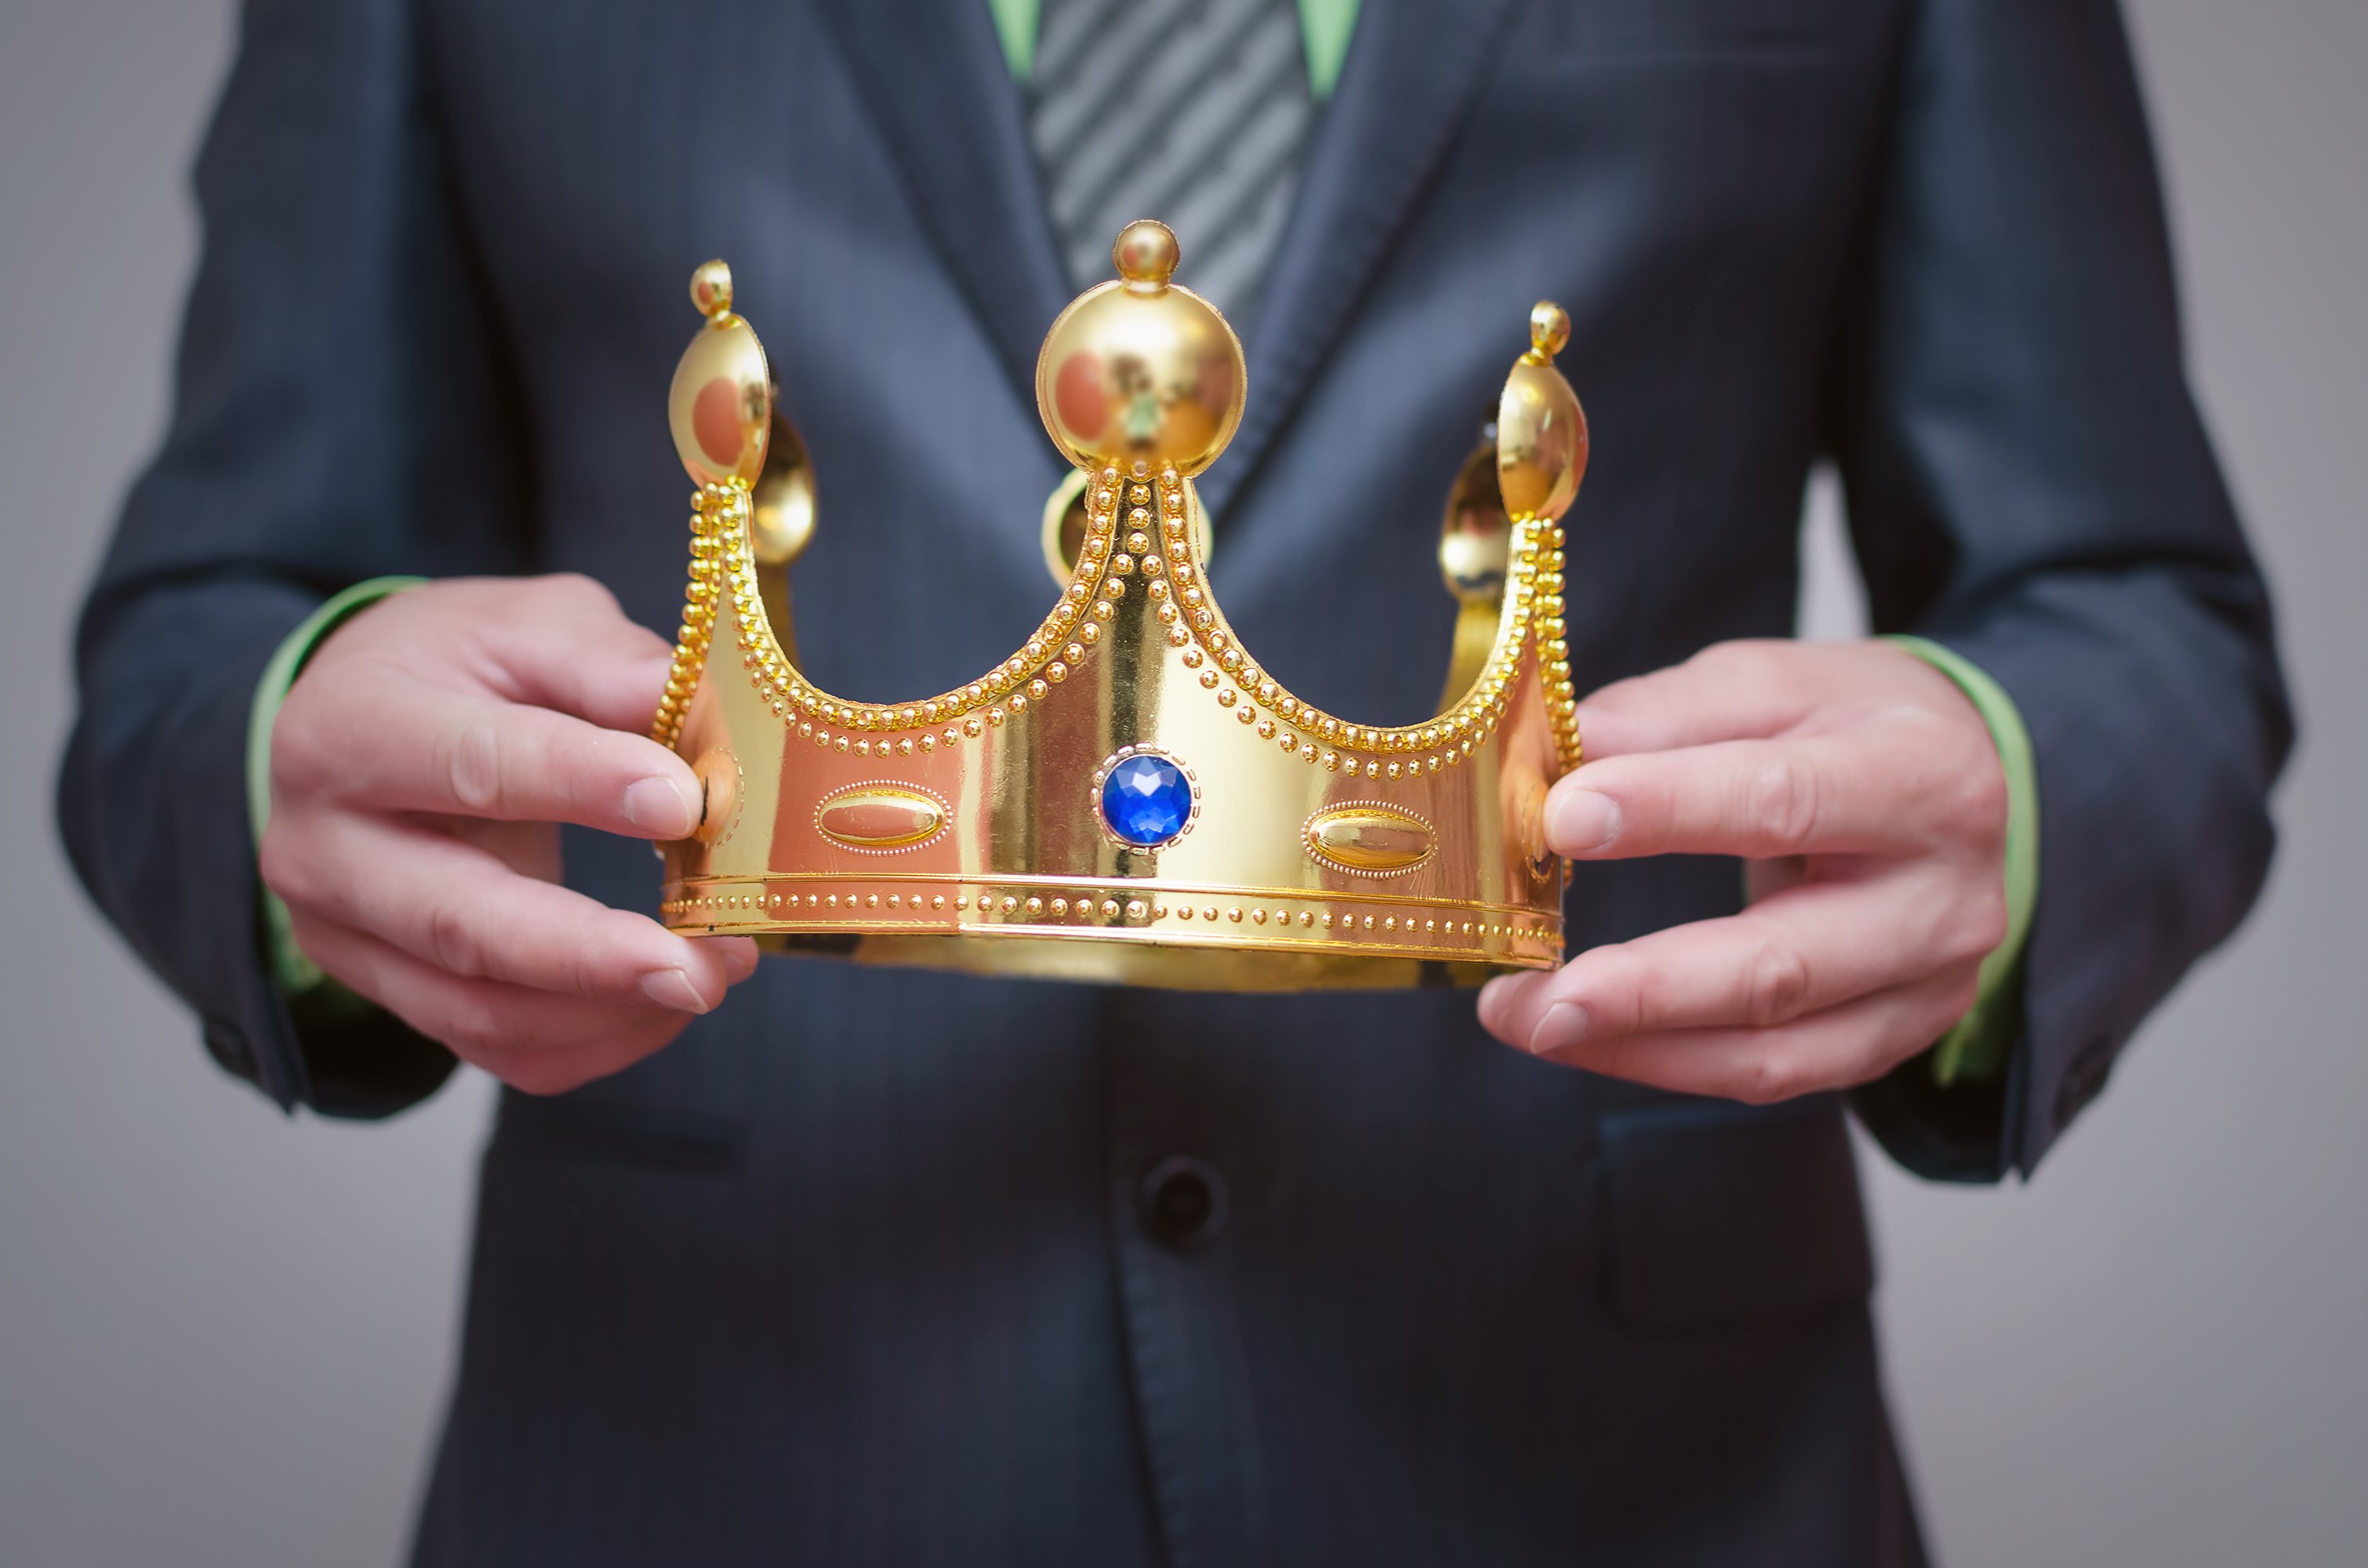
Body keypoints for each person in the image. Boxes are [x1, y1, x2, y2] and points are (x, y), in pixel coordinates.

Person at [60, 0, 2289, 1562]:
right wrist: (293, 743)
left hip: (1610, 1470)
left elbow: (2135, 610)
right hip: (715, 1449)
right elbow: (194, 636)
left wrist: (2020, 794)